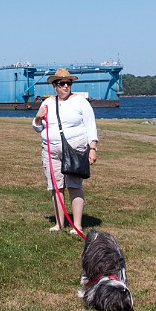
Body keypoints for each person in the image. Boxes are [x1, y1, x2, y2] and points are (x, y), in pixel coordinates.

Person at [32, 68, 98, 234]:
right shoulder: (47, 103)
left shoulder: (81, 102)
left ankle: (77, 225)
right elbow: (37, 127)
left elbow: (91, 125)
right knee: (55, 187)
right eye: (62, 83)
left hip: (75, 148)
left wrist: (92, 148)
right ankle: (59, 224)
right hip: (50, 150)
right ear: (55, 86)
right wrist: (38, 117)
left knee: (74, 185)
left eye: (69, 83)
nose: (66, 86)